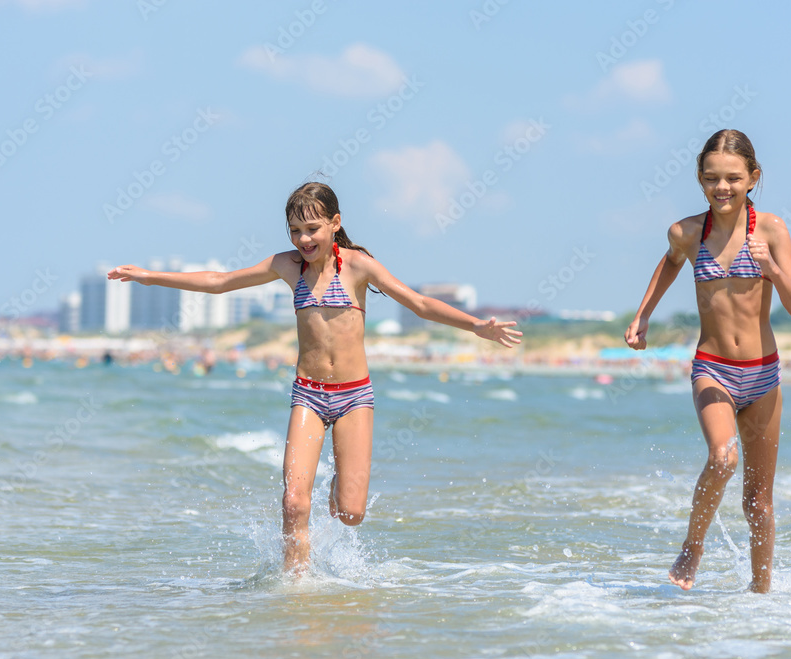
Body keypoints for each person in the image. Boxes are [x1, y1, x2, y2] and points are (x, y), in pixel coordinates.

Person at [108, 182, 522, 574]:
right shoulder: (287, 267)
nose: (303, 240)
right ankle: (297, 583)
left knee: (350, 513)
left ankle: (339, 486)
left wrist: (476, 327)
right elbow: (220, 282)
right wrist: (150, 276)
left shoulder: (358, 266)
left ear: (335, 224)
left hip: (354, 397)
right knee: (292, 503)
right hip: (307, 394)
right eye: (295, 231)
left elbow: (417, 303)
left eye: (312, 229)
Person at [624, 130, 791, 593]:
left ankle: (760, 592)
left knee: (758, 502)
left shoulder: (772, 230)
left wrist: (774, 270)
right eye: (711, 179)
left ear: (753, 178)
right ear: (700, 180)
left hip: (764, 375)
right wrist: (643, 314)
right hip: (713, 369)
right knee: (722, 457)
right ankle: (693, 546)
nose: (721, 187)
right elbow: (669, 263)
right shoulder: (687, 232)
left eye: (732, 178)